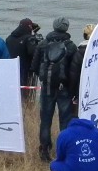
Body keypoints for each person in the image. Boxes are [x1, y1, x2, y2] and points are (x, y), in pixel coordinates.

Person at [32, 17, 78, 161]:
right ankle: (63, 152)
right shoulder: (71, 46)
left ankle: (44, 151)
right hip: (64, 88)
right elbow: (73, 70)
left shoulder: (43, 44)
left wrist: (44, 77)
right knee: (65, 121)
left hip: (47, 87)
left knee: (45, 120)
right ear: (66, 28)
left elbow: (34, 66)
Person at [69, 23, 98, 118]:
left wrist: (72, 93)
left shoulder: (78, 53)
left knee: (80, 119)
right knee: (97, 120)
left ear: (84, 36)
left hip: (82, 93)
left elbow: (73, 75)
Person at [6, 18, 41, 102]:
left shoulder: (9, 38)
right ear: (29, 26)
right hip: (25, 69)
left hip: (11, 69)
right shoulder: (29, 38)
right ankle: (24, 105)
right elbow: (33, 52)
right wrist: (35, 38)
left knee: (14, 90)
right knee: (24, 91)